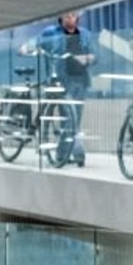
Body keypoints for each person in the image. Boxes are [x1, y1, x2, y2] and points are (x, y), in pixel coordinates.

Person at [32, 11, 96, 166]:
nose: (71, 18)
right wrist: (25, 49)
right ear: (61, 17)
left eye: (73, 15)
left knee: (74, 119)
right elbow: (35, 43)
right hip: (61, 81)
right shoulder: (51, 32)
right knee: (68, 118)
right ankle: (67, 153)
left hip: (80, 80)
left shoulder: (85, 34)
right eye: (67, 15)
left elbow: (94, 55)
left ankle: (68, 152)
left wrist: (88, 58)